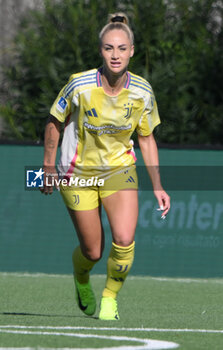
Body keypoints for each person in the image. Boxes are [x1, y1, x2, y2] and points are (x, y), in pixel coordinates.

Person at [41, 12, 170, 321]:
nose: (116, 55)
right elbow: (54, 123)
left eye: (122, 48)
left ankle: (110, 297)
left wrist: (157, 185)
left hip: (119, 170)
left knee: (124, 239)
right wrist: (48, 167)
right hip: (78, 174)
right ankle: (82, 277)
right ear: (100, 50)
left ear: (132, 51)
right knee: (93, 252)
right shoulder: (79, 85)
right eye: (109, 48)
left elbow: (147, 139)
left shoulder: (142, 91)